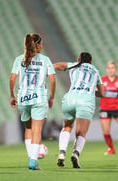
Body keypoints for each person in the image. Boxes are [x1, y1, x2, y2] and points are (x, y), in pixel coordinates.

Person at [9, 34, 55, 170]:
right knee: (37, 130)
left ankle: (31, 157)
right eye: (42, 43)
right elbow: (52, 80)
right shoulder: (45, 60)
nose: (42, 46)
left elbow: (12, 79)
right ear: (38, 44)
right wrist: (51, 97)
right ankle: (33, 162)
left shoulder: (19, 59)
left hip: (23, 98)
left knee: (28, 129)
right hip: (39, 98)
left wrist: (12, 95)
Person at [53, 52, 104, 168]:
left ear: (78, 60)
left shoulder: (74, 65)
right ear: (91, 62)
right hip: (85, 101)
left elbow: (57, 66)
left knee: (66, 127)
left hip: (70, 99)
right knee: (81, 132)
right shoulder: (95, 71)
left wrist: (46, 70)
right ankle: (75, 154)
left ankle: (61, 153)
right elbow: (102, 93)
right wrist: (91, 91)